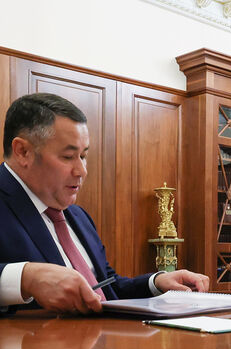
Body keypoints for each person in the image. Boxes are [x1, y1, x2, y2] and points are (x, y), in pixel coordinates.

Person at [0, 93, 209, 314]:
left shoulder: (79, 216)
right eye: (68, 156)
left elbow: (107, 288)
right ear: (23, 151)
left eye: (83, 156)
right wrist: (25, 278)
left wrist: (155, 283)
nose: (82, 171)